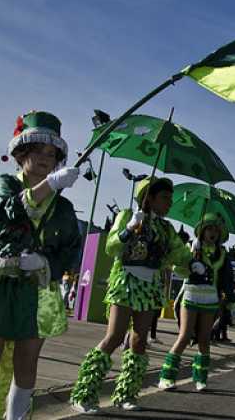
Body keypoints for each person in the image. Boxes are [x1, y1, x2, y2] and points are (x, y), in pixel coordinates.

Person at [0, 111, 82, 420]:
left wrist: (45, 263)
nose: (45, 158)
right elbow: (6, 210)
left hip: (38, 292)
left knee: (26, 364)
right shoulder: (6, 184)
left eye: (52, 154)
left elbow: (70, 250)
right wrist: (48, 186)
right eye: (38, 150)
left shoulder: (63, 207)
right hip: (1, 286)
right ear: (22, 152)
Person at [68, 176, 196, 414]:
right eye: (165, 198)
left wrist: (193, 260)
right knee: (115, 336)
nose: (169, 203)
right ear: (149, 198)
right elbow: (112, 248)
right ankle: (84, 393)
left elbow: (179, 256)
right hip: (125, 282)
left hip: (149, 287)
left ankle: (125, 393)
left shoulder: (166, 228)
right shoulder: (128, 215)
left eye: (170, 199)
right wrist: (128, 229)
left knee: (139, 340)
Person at [158, 212, 234, 391]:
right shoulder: (191, 247)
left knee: (204, 339)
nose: (213, 232)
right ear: (202, 230)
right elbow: (179, 270)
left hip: (210, 298)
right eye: (209, 228)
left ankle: (200, 378)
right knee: (184, 336)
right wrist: (191, 257)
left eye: (216, 229)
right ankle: (166, 377)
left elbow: (226, 279)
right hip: (191, 295)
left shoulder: (222, 254)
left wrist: (228, 301)